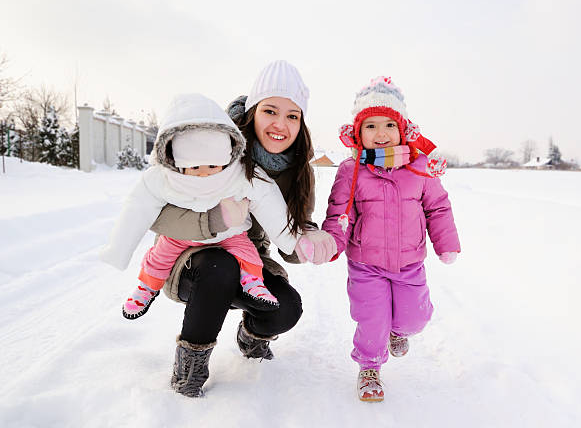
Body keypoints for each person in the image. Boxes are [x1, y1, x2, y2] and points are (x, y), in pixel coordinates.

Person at [149, 60, 337, 397]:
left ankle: (251, 337)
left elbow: (289, 242)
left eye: (292, 115)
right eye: (270, 111)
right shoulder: (215, 145)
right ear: (252, 112)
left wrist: (309, 240)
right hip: (192, 256)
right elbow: (159, 213)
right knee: (218, 267)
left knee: (287, 308)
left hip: (250, 261)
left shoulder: (298, 170)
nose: (281, 124)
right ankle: (190, 365)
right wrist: (215, 222)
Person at [99, 93, 311, 322]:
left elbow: (269, 202)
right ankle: (146, 288)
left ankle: (254, 285)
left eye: (212, 166)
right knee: (160, 255)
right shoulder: (162, 178)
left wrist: (295, 240)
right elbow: (137, 208)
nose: (203, 173)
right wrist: (118, 250)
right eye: (194, 166)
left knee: (248, 254)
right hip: (182, 240)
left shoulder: (240, 173)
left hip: (231, 234)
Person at [321, 76, 461, 402]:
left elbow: (438, 207)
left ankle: (400, 332)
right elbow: (340, 213)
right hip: (365, 264)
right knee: (371, 320)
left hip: (409, 262)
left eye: (388, 125)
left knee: (415, 317)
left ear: (402, 129)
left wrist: (446, 243)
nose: (380, 133)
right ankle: (369, 367)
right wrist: (331, 242)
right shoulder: (350, 170)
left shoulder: (420, 168)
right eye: (370, 126)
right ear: (358, 132)